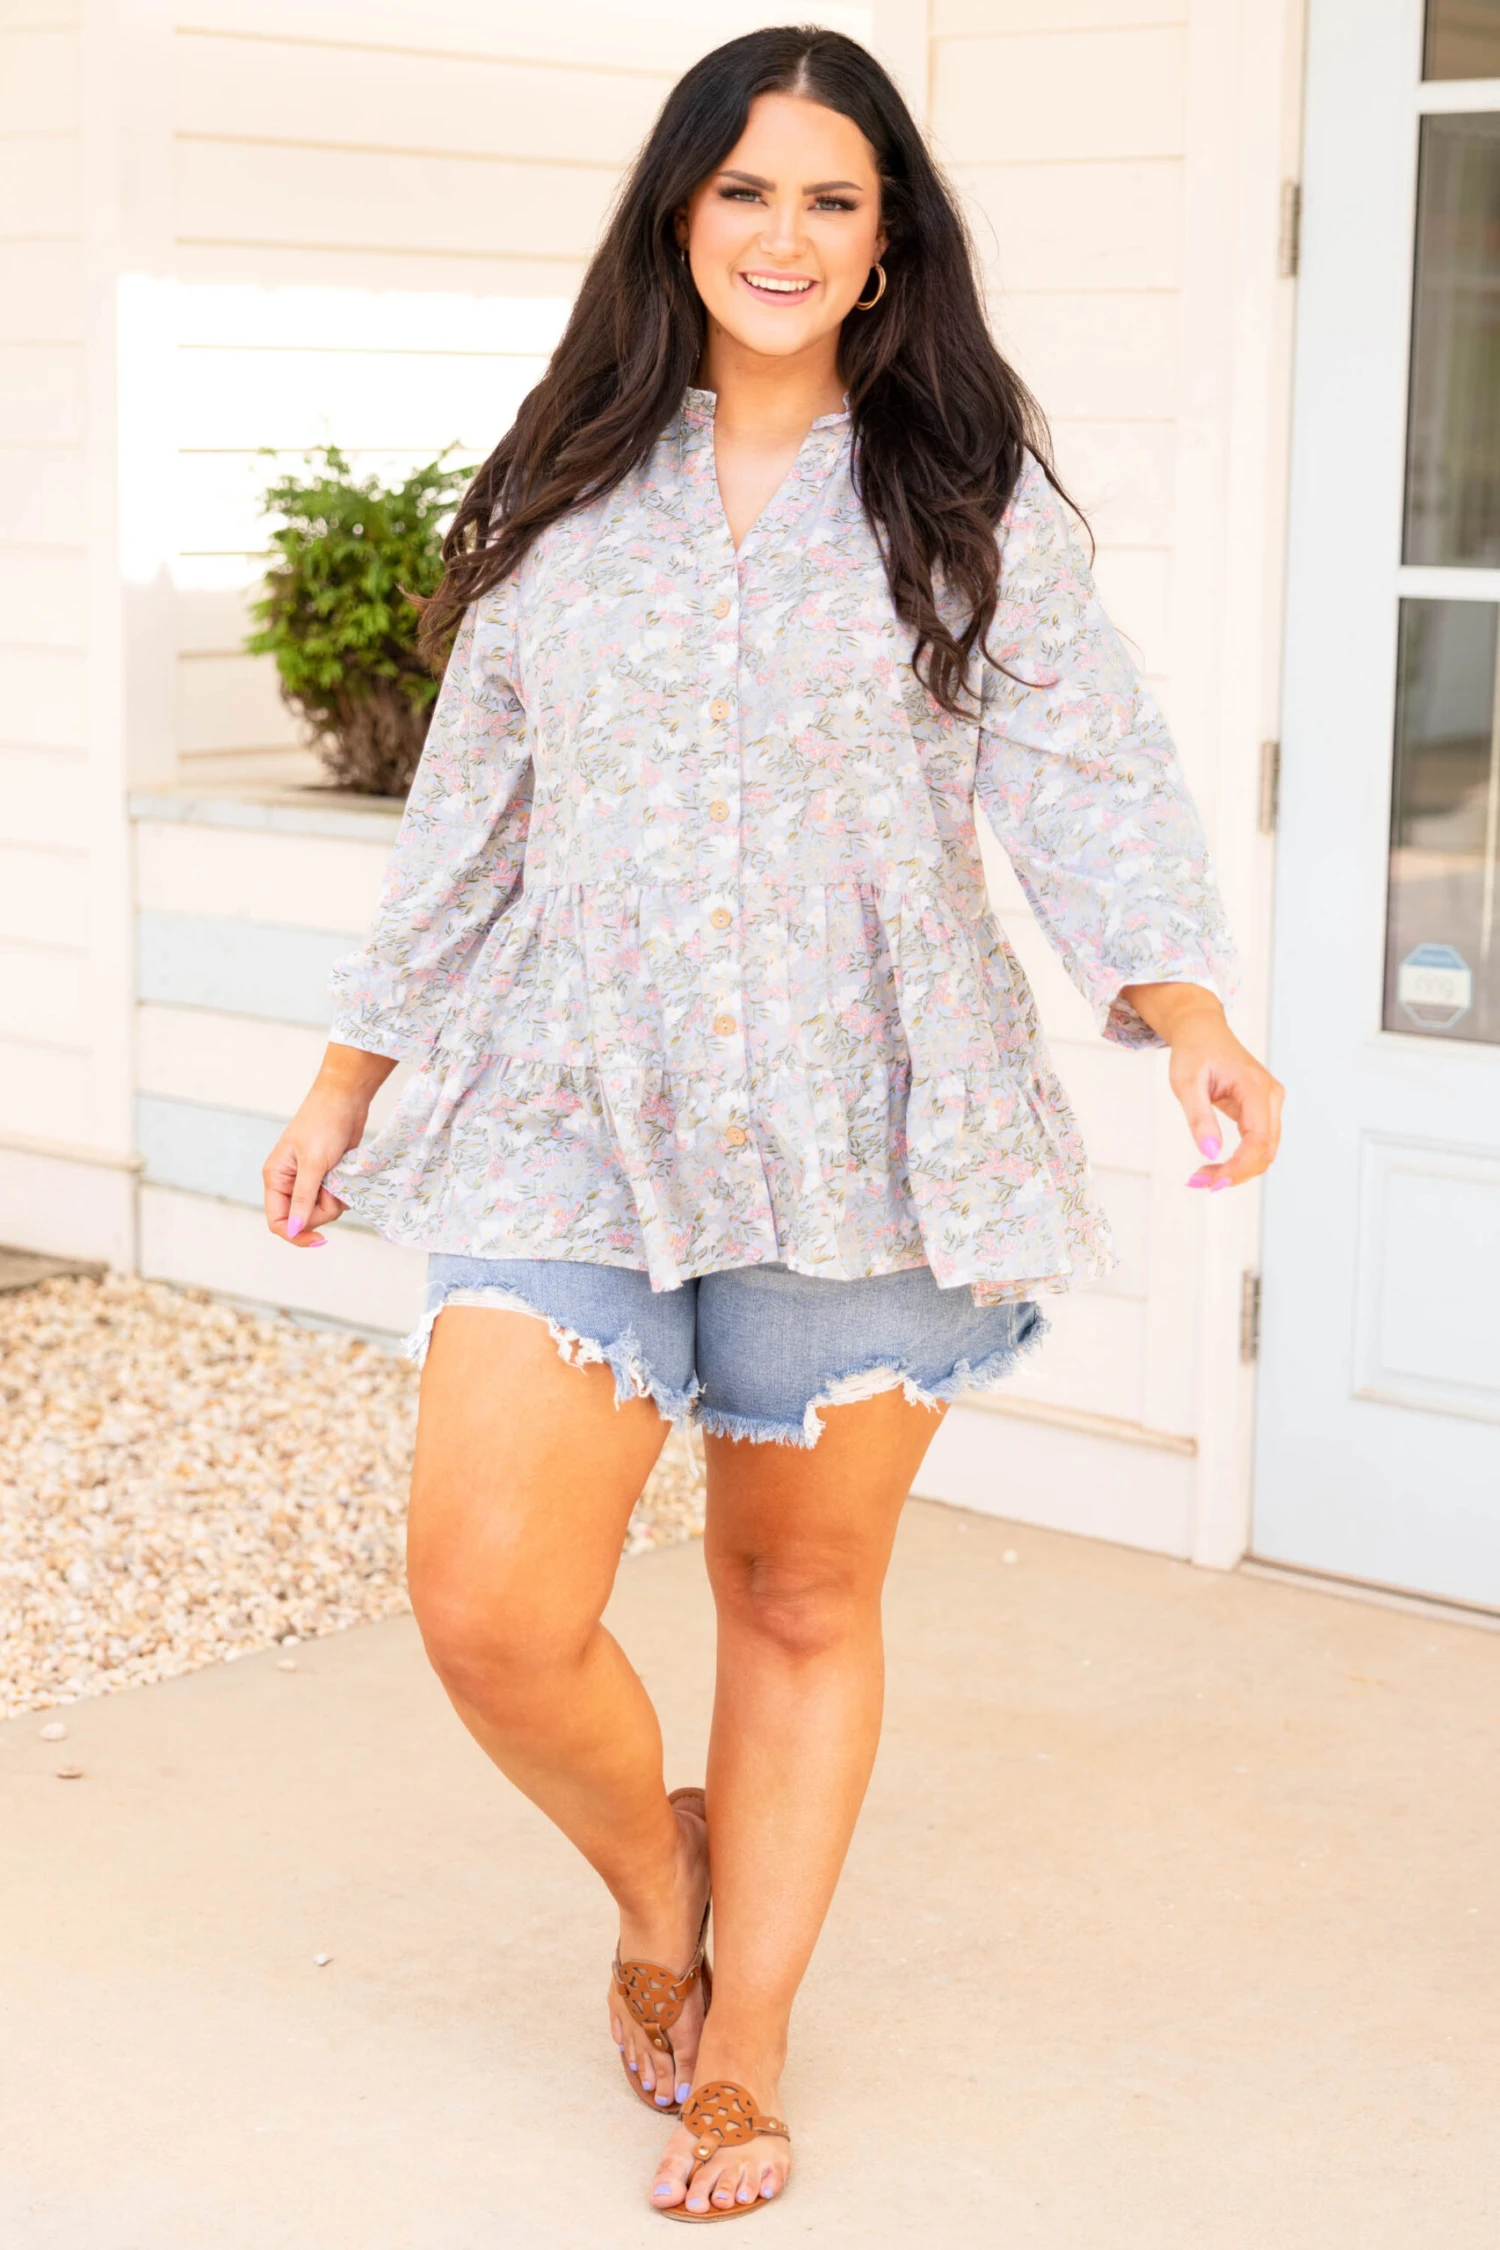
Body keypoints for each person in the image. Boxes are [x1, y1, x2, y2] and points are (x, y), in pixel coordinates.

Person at [261, 24, 1282, 2223]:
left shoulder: (960, 501)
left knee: (795, 1594)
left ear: (888, 238)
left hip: (865, 1109)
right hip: (567, 1092)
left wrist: (1189, 1012)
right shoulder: (560, 494)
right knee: (487, 1600)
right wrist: (352, 1073)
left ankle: (747, 2040)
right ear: (677, 216)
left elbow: (1088, 777)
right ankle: (663, 1873)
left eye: (832, 196)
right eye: (744, 190)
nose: (785, 235)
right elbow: (471, 813)